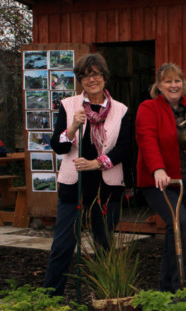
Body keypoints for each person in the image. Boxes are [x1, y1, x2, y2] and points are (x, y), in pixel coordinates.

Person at [43, 53, 131, 296]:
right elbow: (58, 146)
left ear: (105, 77)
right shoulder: (69, 105)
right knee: (63, 243)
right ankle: (50, 298)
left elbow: (124, 148)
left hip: (107, 185)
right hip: (75, 184)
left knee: (104, 243)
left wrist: (97, 163)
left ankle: (105, 297)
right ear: (79, 80)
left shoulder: (121, 110)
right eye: (86, 75)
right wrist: (71, 127)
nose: (92, 79)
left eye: (96, 74)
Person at [136, 63, 186, 292]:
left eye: (177, 80)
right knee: (180, 225)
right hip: (160, 182)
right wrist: (158, 169)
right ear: (158, 86)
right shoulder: (148, 108)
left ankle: (167, 289)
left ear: (183, 84)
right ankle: (181, 288)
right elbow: (147, 139)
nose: (173, 85)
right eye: (167, 81)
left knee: (176, 232)